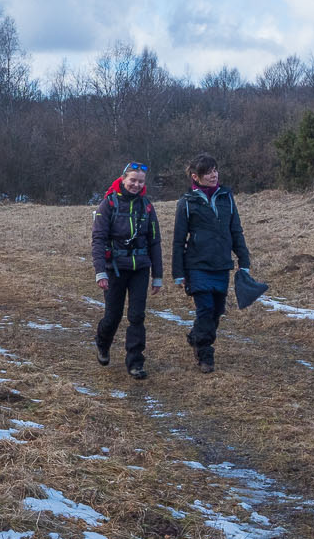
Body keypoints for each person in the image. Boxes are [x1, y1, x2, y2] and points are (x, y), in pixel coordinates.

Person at [170, 153, 252, 374]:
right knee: (205, 309)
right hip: (197, 265)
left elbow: (235, 230)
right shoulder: (186, 203)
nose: (214, 175)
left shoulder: (226, 197)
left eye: (215, 170)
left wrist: (244, 259)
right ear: (196, 177)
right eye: (208, 172)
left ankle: (196, 337)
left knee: (217, 311)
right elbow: (178, 240)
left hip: (221, 265)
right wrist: (178, 273)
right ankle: (205, 355)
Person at [90, 161, 162, 379]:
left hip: (140, 268)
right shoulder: (108, 205)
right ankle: (103, 343)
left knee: (137, 316)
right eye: (133, 180)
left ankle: (135, 362)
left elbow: (155, 242)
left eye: (141, 182)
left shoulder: (147, 206)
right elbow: (98, 239)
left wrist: (157, 276)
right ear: (123, 179)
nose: (137, 185)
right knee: (113, 316)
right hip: (115, 270)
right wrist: (100, 271)